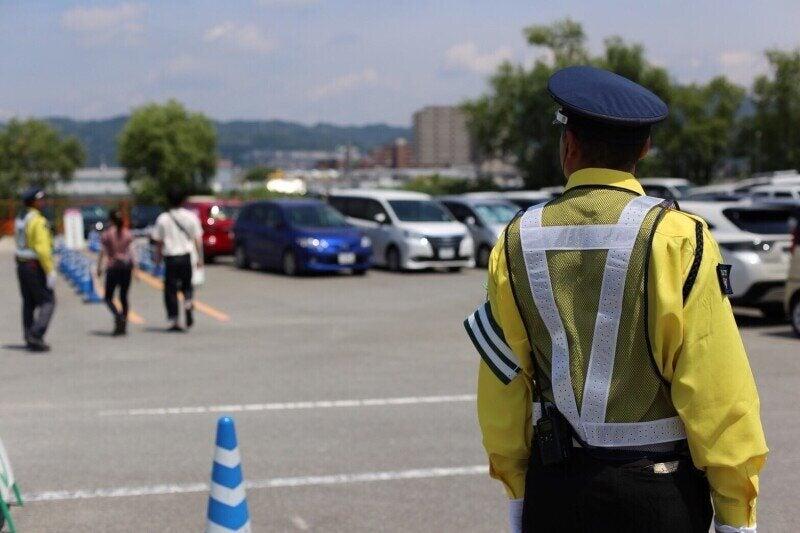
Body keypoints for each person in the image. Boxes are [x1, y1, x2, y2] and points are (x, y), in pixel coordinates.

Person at [464, 66, 767, 533]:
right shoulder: (679, 237)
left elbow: (504, 386)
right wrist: (734, 514)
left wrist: (519, 499)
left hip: (557, 491)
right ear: (644, 149)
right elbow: (718, 391)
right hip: (660, 495)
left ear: (569, 146)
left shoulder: (514, 241)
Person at [151, 189, 203, 331]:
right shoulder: (191, 217)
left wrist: (157, 259)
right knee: (187, 285)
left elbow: (159, 242)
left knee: (170, 289)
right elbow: (197, 239)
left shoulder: (163, 218)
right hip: (186, 256)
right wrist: (199, 258)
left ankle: (174, 319)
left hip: (171, 258)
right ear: (182, 201)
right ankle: (187, 301)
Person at [14, 187, 55, 352]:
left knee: (29, 302)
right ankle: (36, 334)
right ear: (34, 201)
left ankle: (28, 335)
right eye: (41, 199)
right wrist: (50, 270)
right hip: (34, 265)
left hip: (21, 264)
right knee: (48, 301)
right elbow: (42, 249)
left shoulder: (21, 217)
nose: (43, 202)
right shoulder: (38, 220)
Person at [96, 208, 135, 335]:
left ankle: (117, 315)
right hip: (126, 267)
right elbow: (132, 251)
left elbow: (103, 252)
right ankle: (123, 321)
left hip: (113, 267)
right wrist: (136, 267)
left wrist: (99, 267)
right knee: (123, 296)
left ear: (110, 220)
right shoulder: (127, 233)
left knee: (108, 297)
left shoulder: (107, 234)